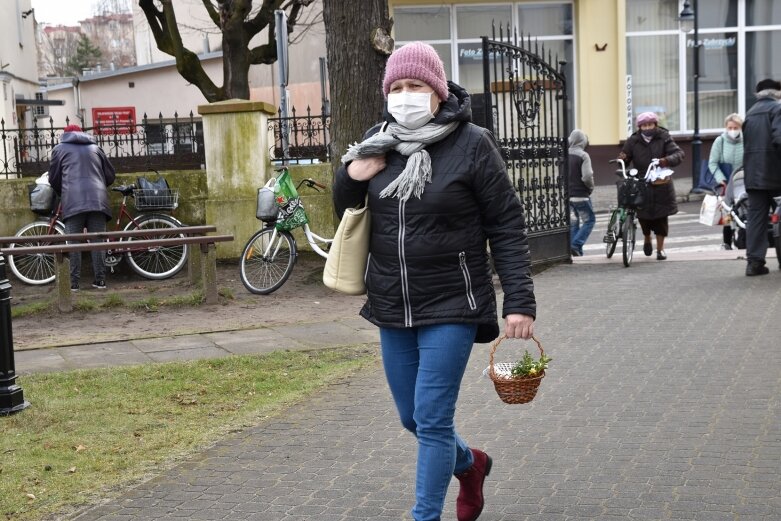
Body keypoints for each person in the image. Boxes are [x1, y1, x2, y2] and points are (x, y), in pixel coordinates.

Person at [332, 41, 536, 521]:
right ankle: (471, 465)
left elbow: (506, 224)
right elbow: (346, 210)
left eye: (416, 86)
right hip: (392, 302)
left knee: (433, 418)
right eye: (397, 87)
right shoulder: (377, 139)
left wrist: (519, 302)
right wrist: (351, 173)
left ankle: (425, 516)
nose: (405, 95)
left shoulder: (472, 144)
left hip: (453, 303)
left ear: (438, 92)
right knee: (412, 418)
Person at [48, 124, 116, 291]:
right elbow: (110, 176)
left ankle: (74, 284)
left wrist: (63, 192)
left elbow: (54, 178)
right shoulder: (96, 148)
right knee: (97, 242)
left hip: (72, 201)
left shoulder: (59, 149)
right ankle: (100, 281)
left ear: (65, 135)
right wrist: (98, 186)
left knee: (74, 243)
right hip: (98, 201)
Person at [618, 111, 684, 260]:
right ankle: (647, 237)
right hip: (641, 184)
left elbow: (678, 154)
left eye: (650, 124)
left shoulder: (664, 137)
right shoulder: (633, 140)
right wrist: (623, 159)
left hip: (661, 184)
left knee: (661, 219)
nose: (647, 128)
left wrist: (664, 160)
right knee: (643, 216)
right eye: (644, 125)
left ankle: (660, 249)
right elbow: (624, 156)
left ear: (655, 124)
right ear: (640, 127)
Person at [741, 78, 781, 276]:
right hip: (775, 173)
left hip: (753, 175)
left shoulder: (750, 112)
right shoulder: (777, 109)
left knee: (756, 218)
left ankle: (754, 263)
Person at [707, 113, 744, 249]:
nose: (733, 130)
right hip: (727, 183)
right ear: (726, 128)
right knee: (728, 213)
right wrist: (720, 179)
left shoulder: (748, 140)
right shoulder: (720, 141)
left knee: (745, 211)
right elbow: (713, 163)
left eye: (736, 127)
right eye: (730, 127)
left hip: (744, 181)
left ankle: (745, 238)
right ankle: (727, 242)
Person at [568, 129, 595, 256]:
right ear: (583, 141)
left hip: (568, 196)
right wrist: (590, 188)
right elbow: (587, 176)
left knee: (574, 223)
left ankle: (576, 251)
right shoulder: (583, 155)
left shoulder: (564, 154)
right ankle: (576, 244)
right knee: (589, 221)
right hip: (581, 195)